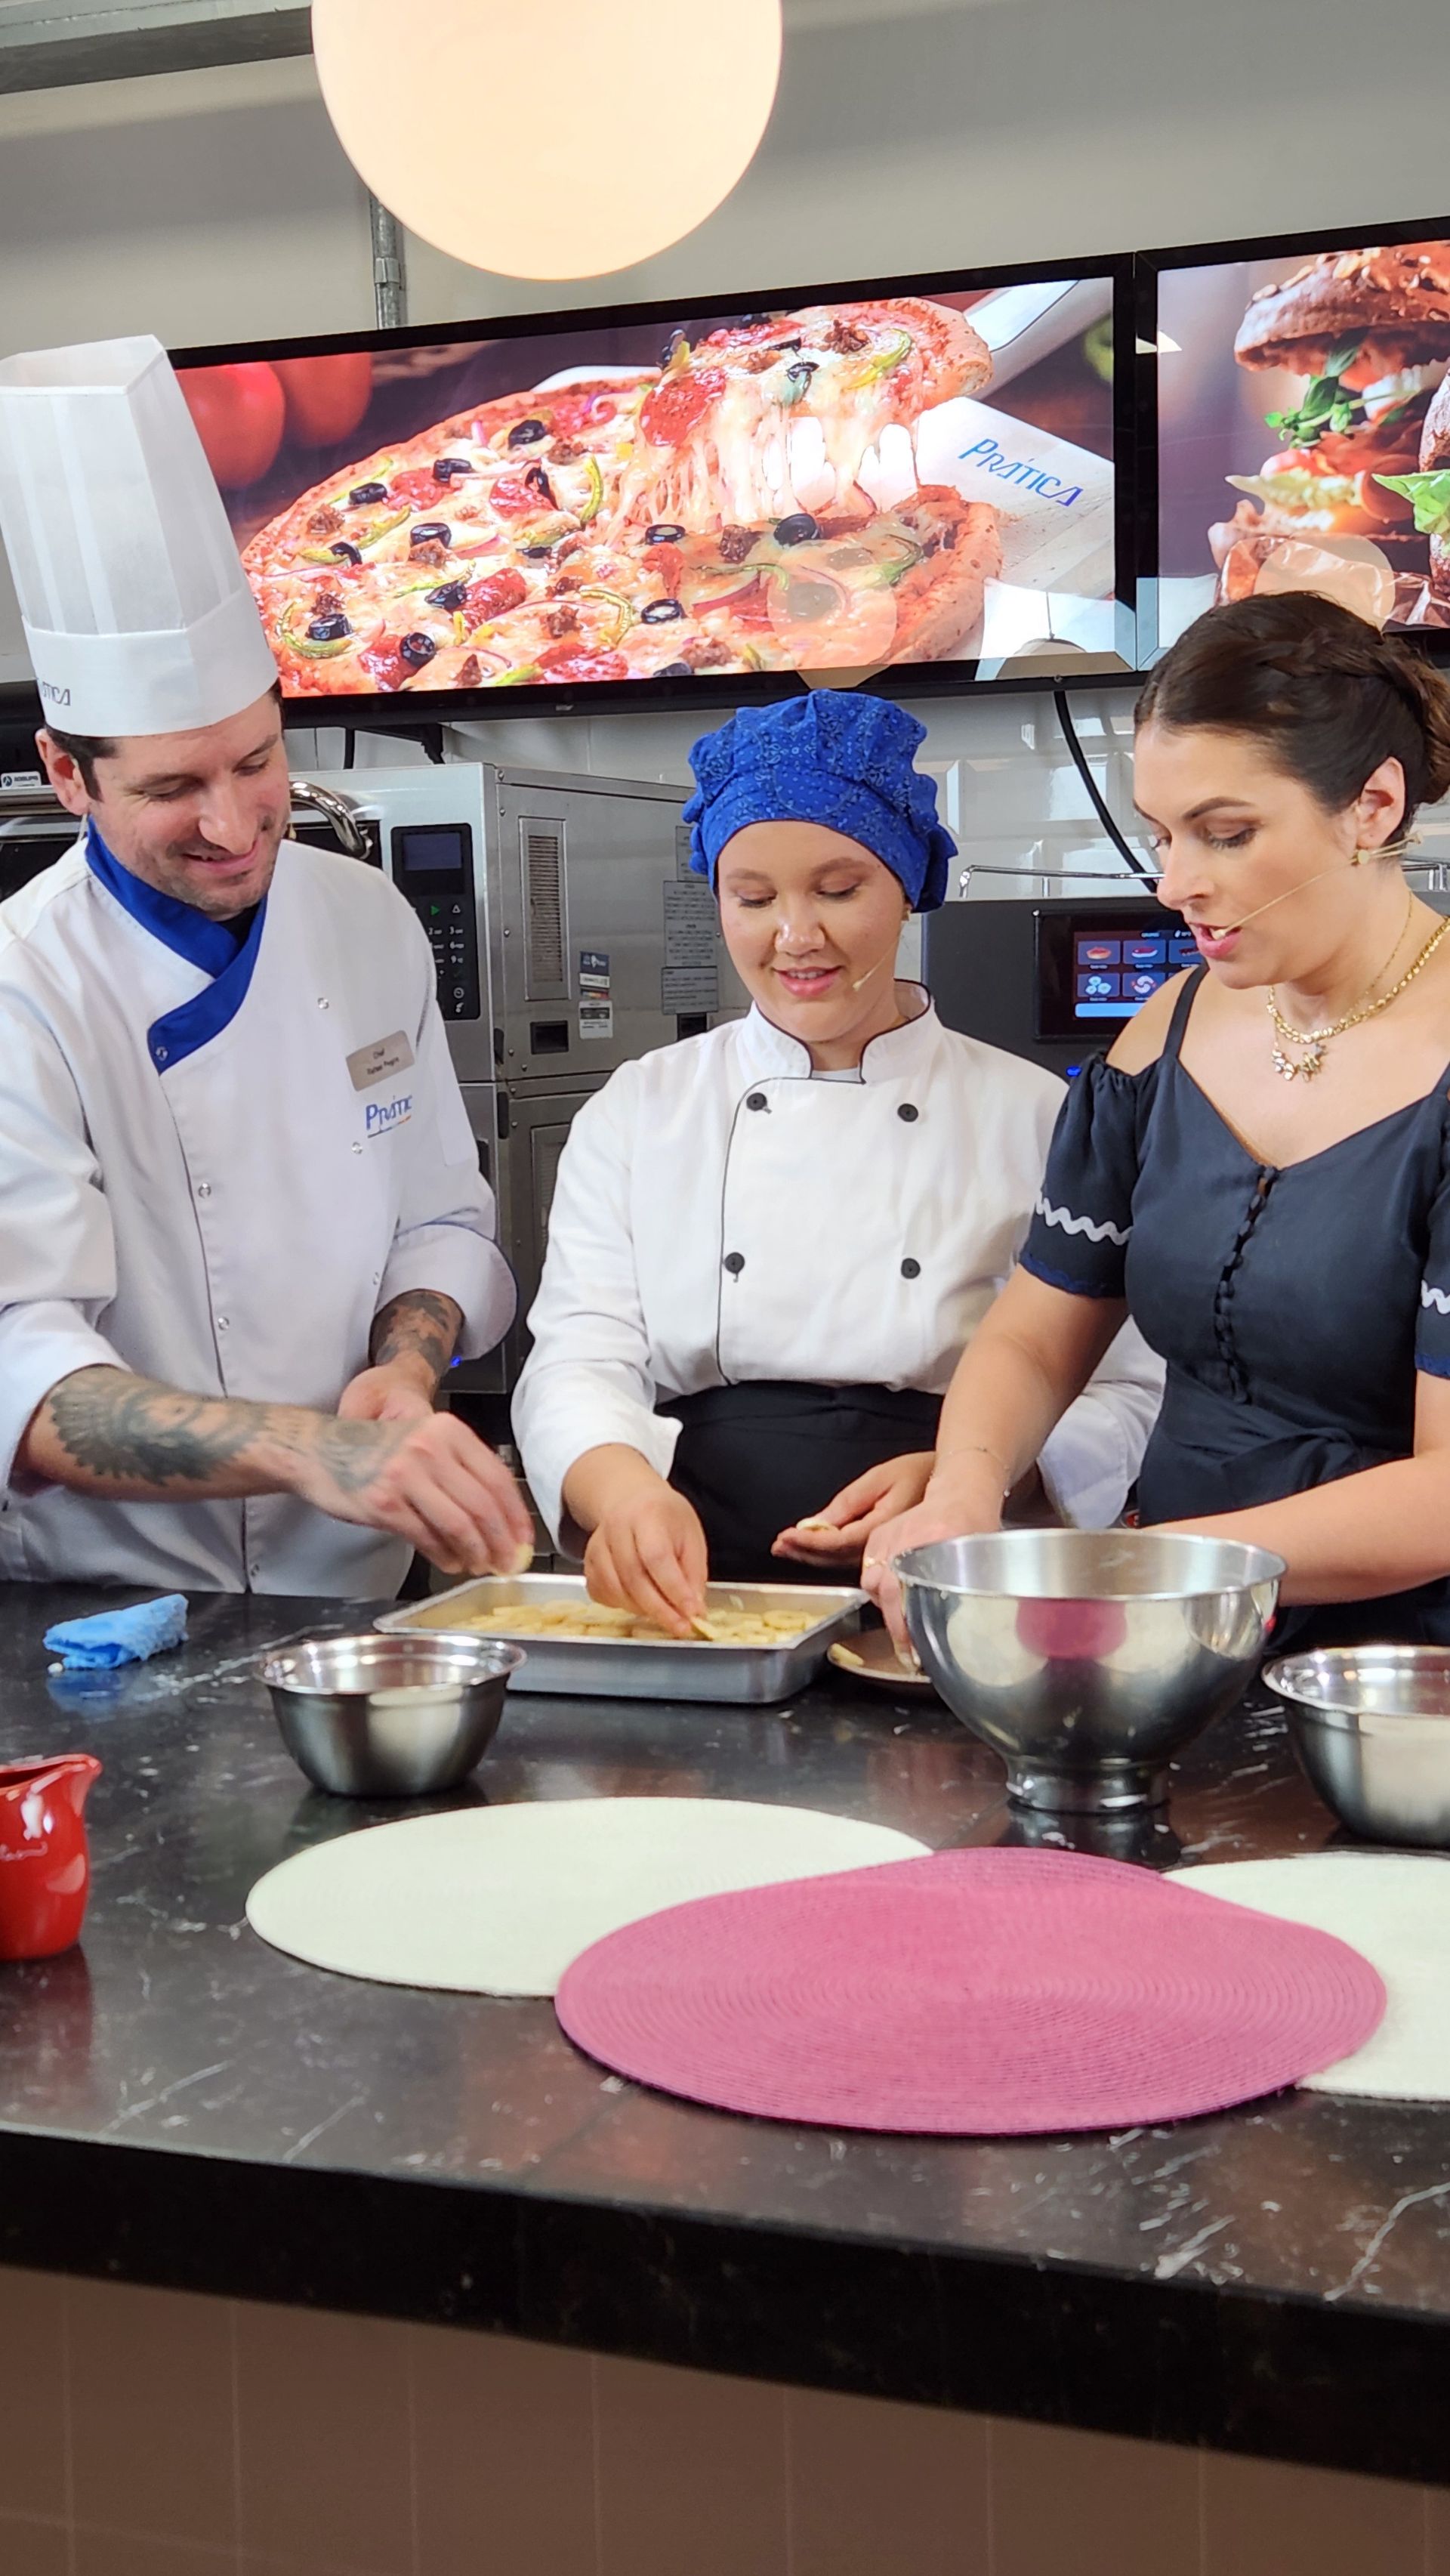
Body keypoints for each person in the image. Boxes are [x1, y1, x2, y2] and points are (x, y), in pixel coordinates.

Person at [0, 335, 532, 1595]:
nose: (237, 827)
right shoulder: (26, 987)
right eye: (174, 788)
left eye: (255, 762)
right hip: (106, 1611)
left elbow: (442, 1220)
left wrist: (405, 1369)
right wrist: (310, 1452)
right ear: (67, 774)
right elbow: (22, 1375)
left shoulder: (364, 919)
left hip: (360, 1589)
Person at [865, 590, 1450, 1650]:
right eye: (1161, 835)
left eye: (1226, 834)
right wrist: (966, 1484)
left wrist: (1149, 1566)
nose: (1176, 884)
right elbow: (1041, 1334)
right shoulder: (1164, 1028)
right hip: (1165, 1638)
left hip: (1397, 1674)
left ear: (1373, 804)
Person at [512, 690, 1162, 1636]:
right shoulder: (640, 1108)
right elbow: (578, 1353)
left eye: (839, 887)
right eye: (754, 896)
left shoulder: (1040, 1115)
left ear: (908, 884)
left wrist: (968, 1476)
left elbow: (1126, 1382)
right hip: (701, 1580)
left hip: (960, 1572)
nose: (795, 936)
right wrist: (619, 1496)